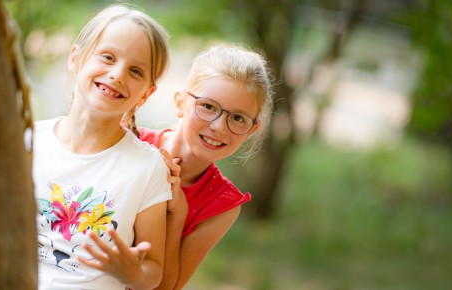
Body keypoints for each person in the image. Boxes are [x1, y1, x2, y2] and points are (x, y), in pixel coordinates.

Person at [31, 4, 172, 289]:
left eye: (135, 71)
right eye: (107, 57)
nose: (118, 75)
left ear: (147, 93)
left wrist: (133, 273)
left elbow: (153, 269)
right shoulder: (28, 140)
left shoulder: (147, 166)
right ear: (76, 58)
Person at [131, 44, 274, 289]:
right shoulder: (130, 143)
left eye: (238, 118)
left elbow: (167, 287)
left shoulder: (222, 206)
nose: (219, 127)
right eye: (208, 106)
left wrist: (178, 215)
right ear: (180, 102)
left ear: (252, 130)